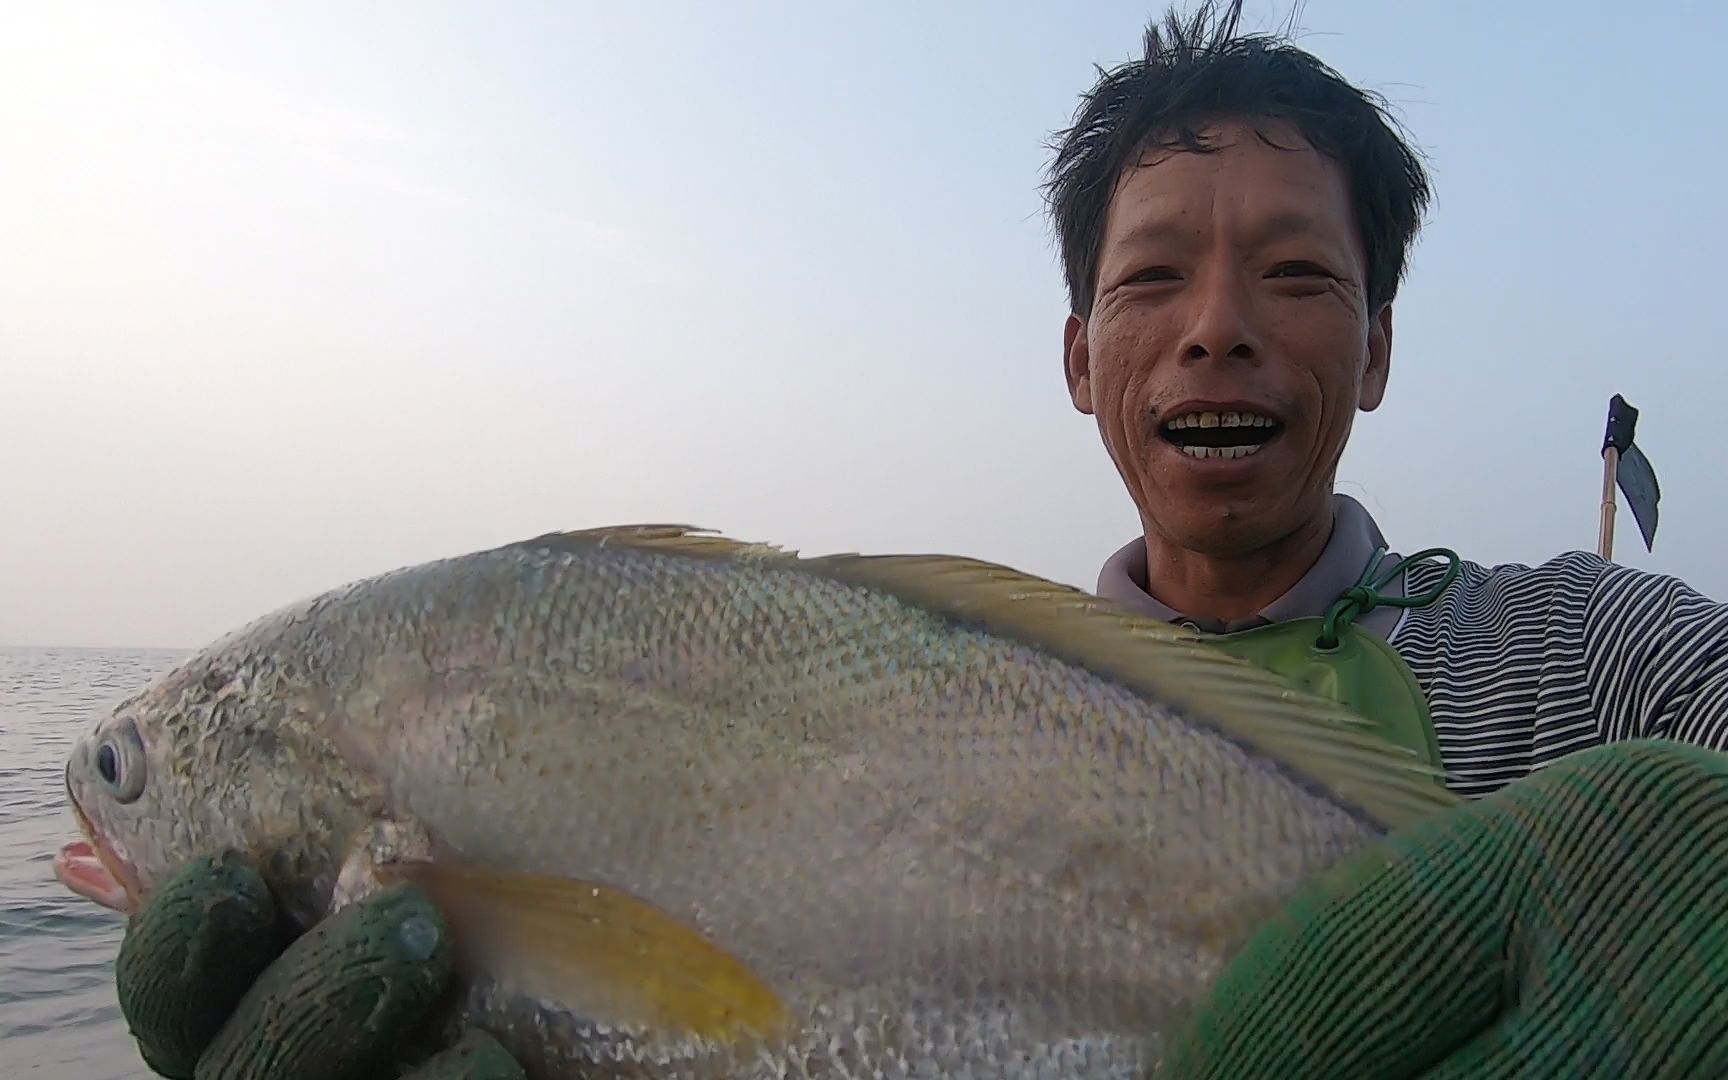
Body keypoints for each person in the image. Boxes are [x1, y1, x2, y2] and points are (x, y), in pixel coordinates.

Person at [106, 4, 1728, 1078]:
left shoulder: (1588, 655)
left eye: (1298, 276)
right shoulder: (960, 682)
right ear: (1079, 355)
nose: (1218, 331)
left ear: (1378, 347)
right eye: (1151, 280)